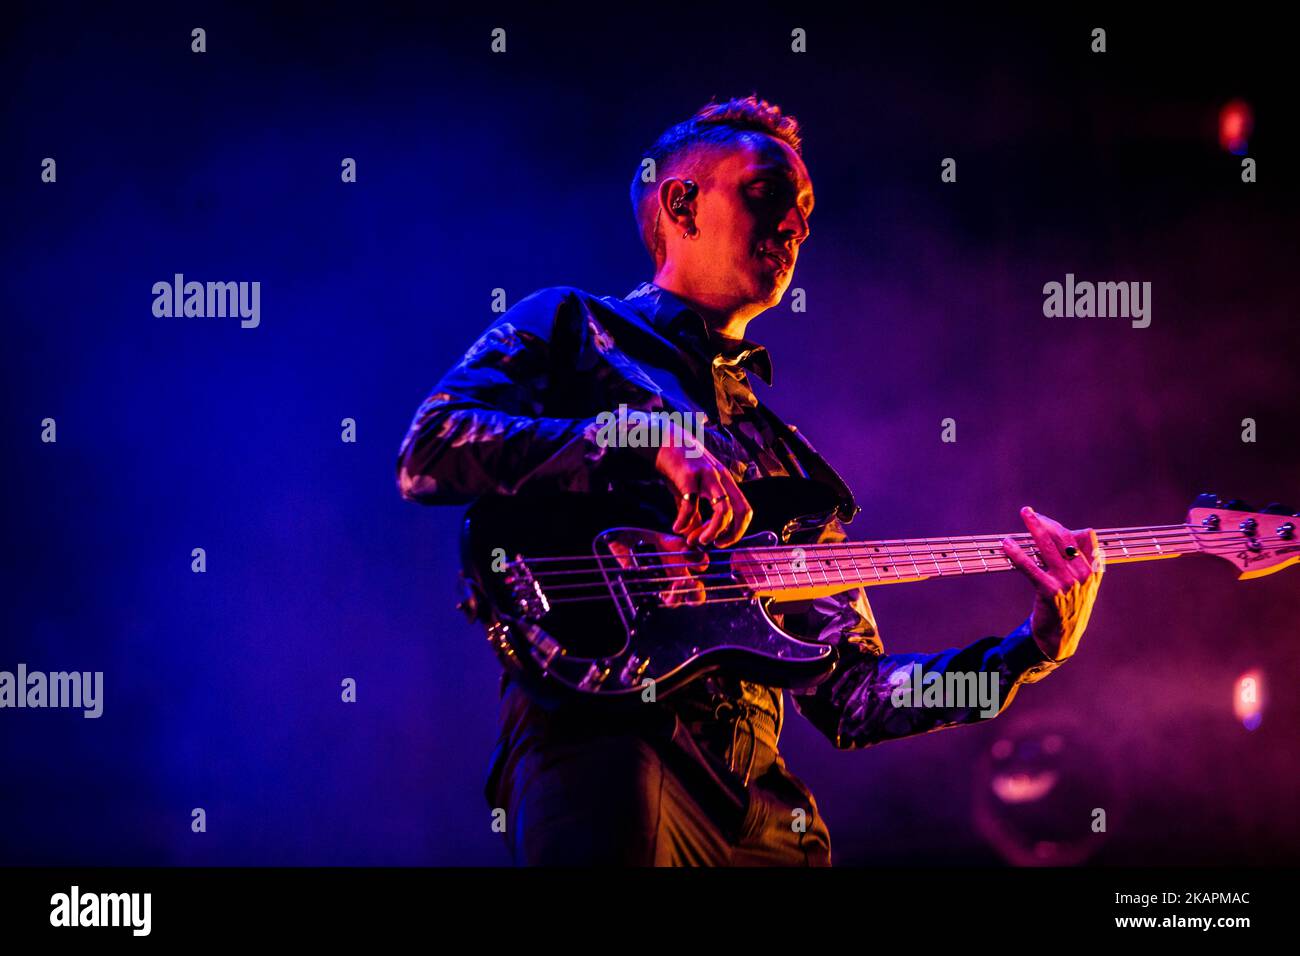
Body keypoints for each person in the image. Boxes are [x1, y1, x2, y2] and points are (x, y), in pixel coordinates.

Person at [395, 94, 1104, 865]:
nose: (797, 224)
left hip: (764, 815)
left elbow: (854, 699)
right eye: (768, 193)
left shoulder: (790, 466)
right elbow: (431, 450)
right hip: (610, 745)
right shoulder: (574, 327)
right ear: (681, 203)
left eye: (805, 209)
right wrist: (643, 441)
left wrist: (1025, 652)